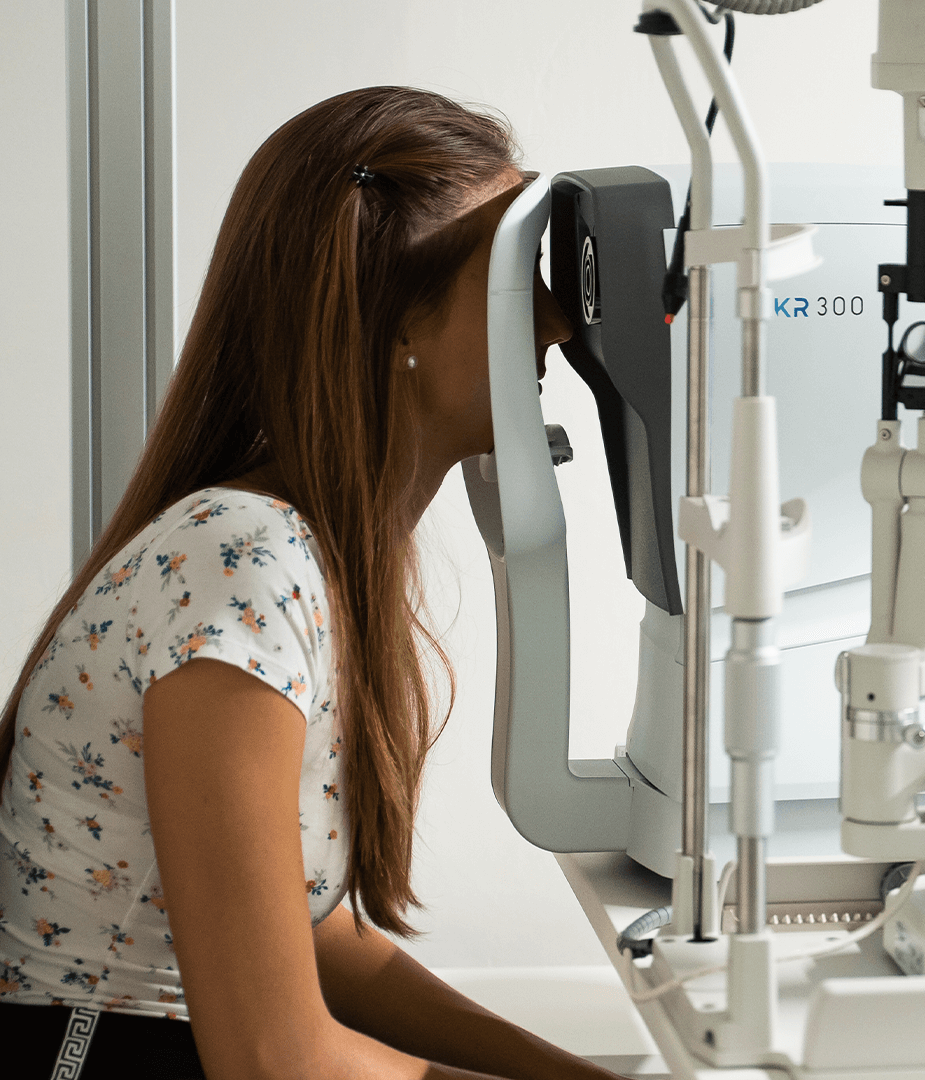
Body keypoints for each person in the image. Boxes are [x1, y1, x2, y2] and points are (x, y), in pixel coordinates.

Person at [0, 87, 626, 1080]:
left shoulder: (300, 553)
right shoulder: (242, 559)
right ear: (396, 327)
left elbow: (321, 938)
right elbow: (270, 1054)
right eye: (513, 277)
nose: (553, 319)